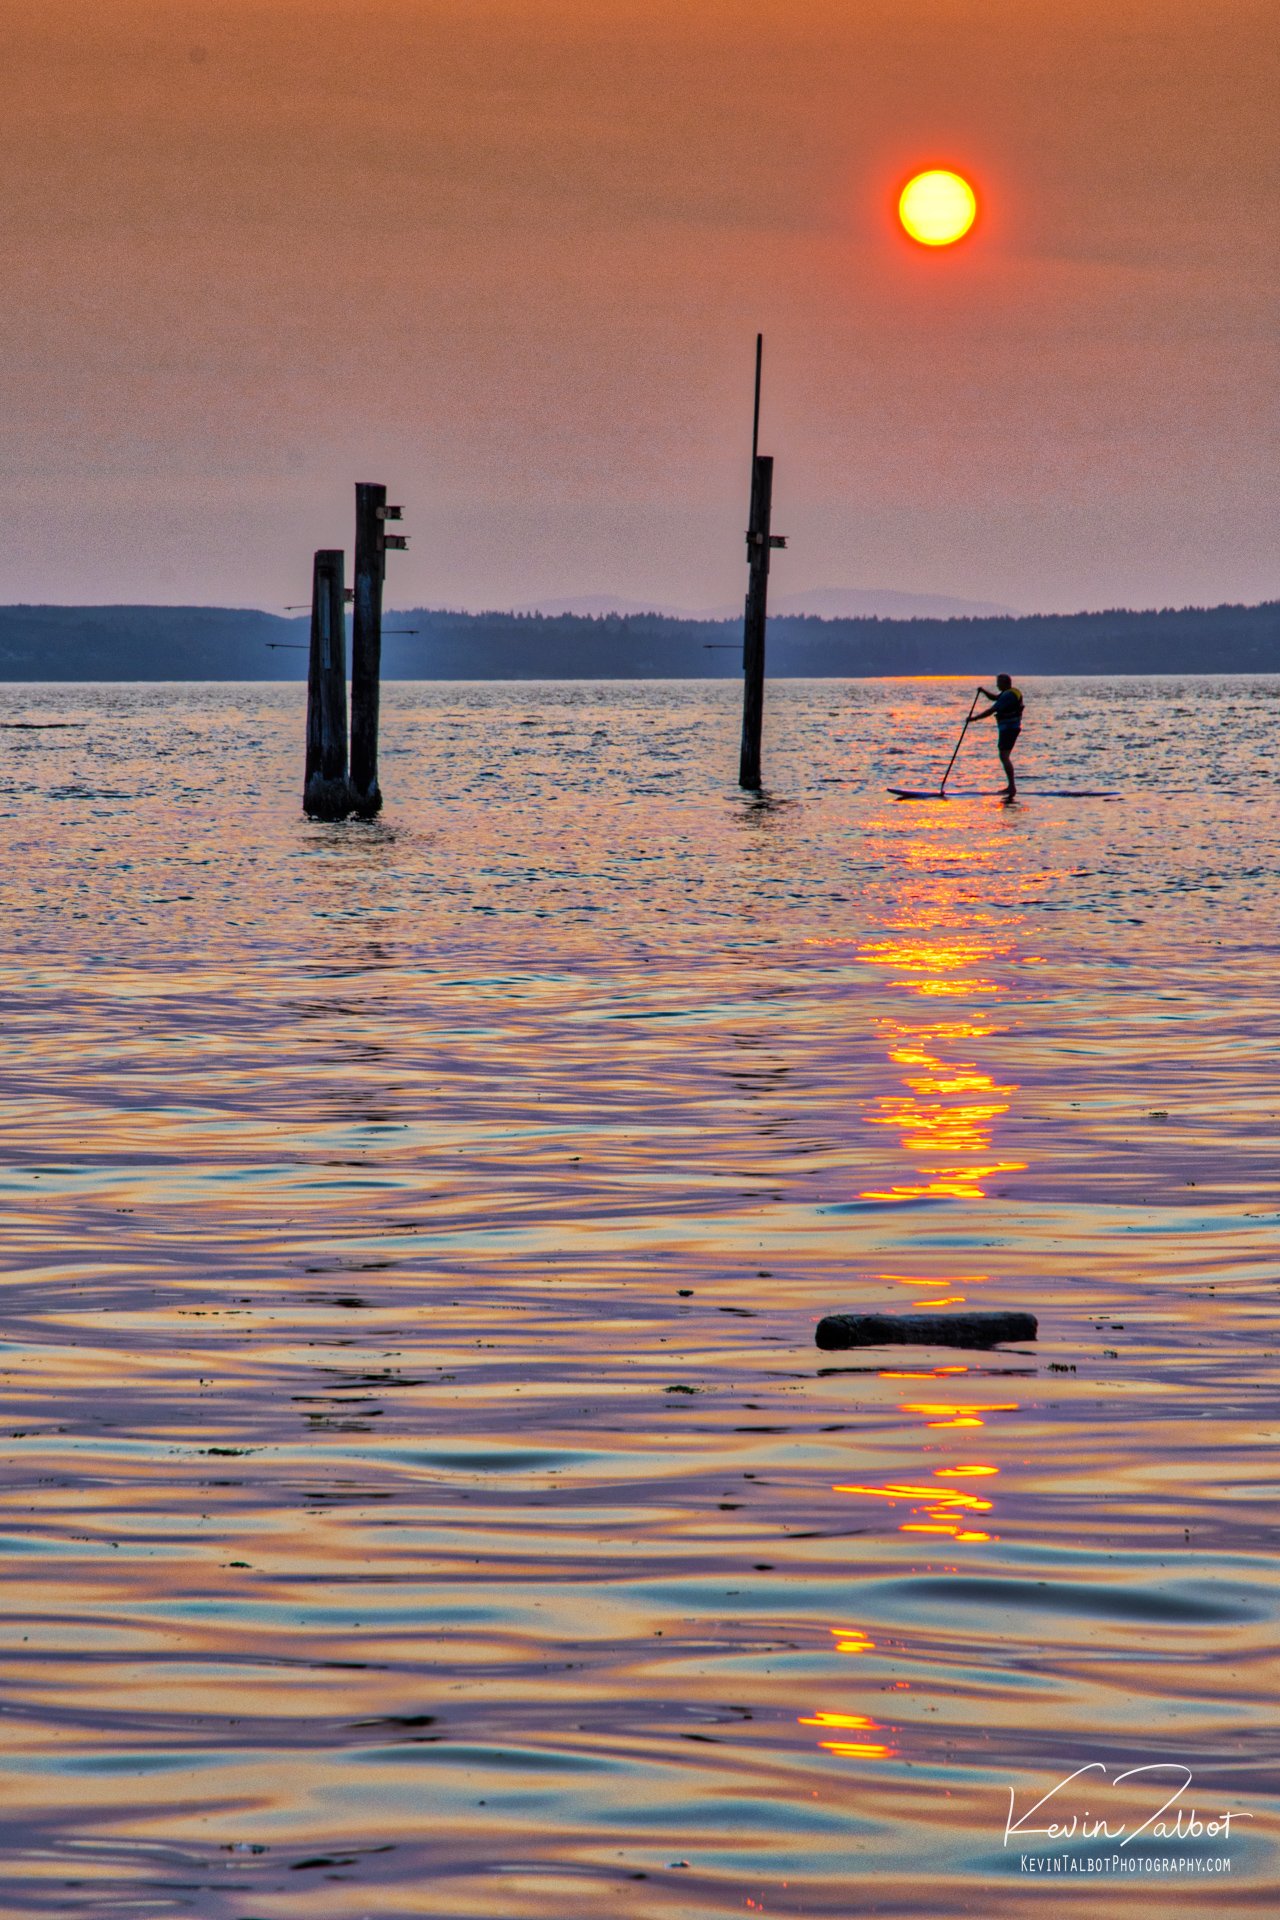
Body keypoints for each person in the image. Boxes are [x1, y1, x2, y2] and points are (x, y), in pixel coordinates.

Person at [968, 674, 1024, 797]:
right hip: (1008, 728)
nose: (997, 685)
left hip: (1009, 728)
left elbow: (992, 709)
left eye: (998, 682)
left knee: (1004, 756)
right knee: (1004, 756)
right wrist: (983, 692)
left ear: (1005, 683)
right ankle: (1011, 786)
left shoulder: (1008, 695)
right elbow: (995, 698)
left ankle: (1011, 787)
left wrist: (974, 719)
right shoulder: (1009, 693)